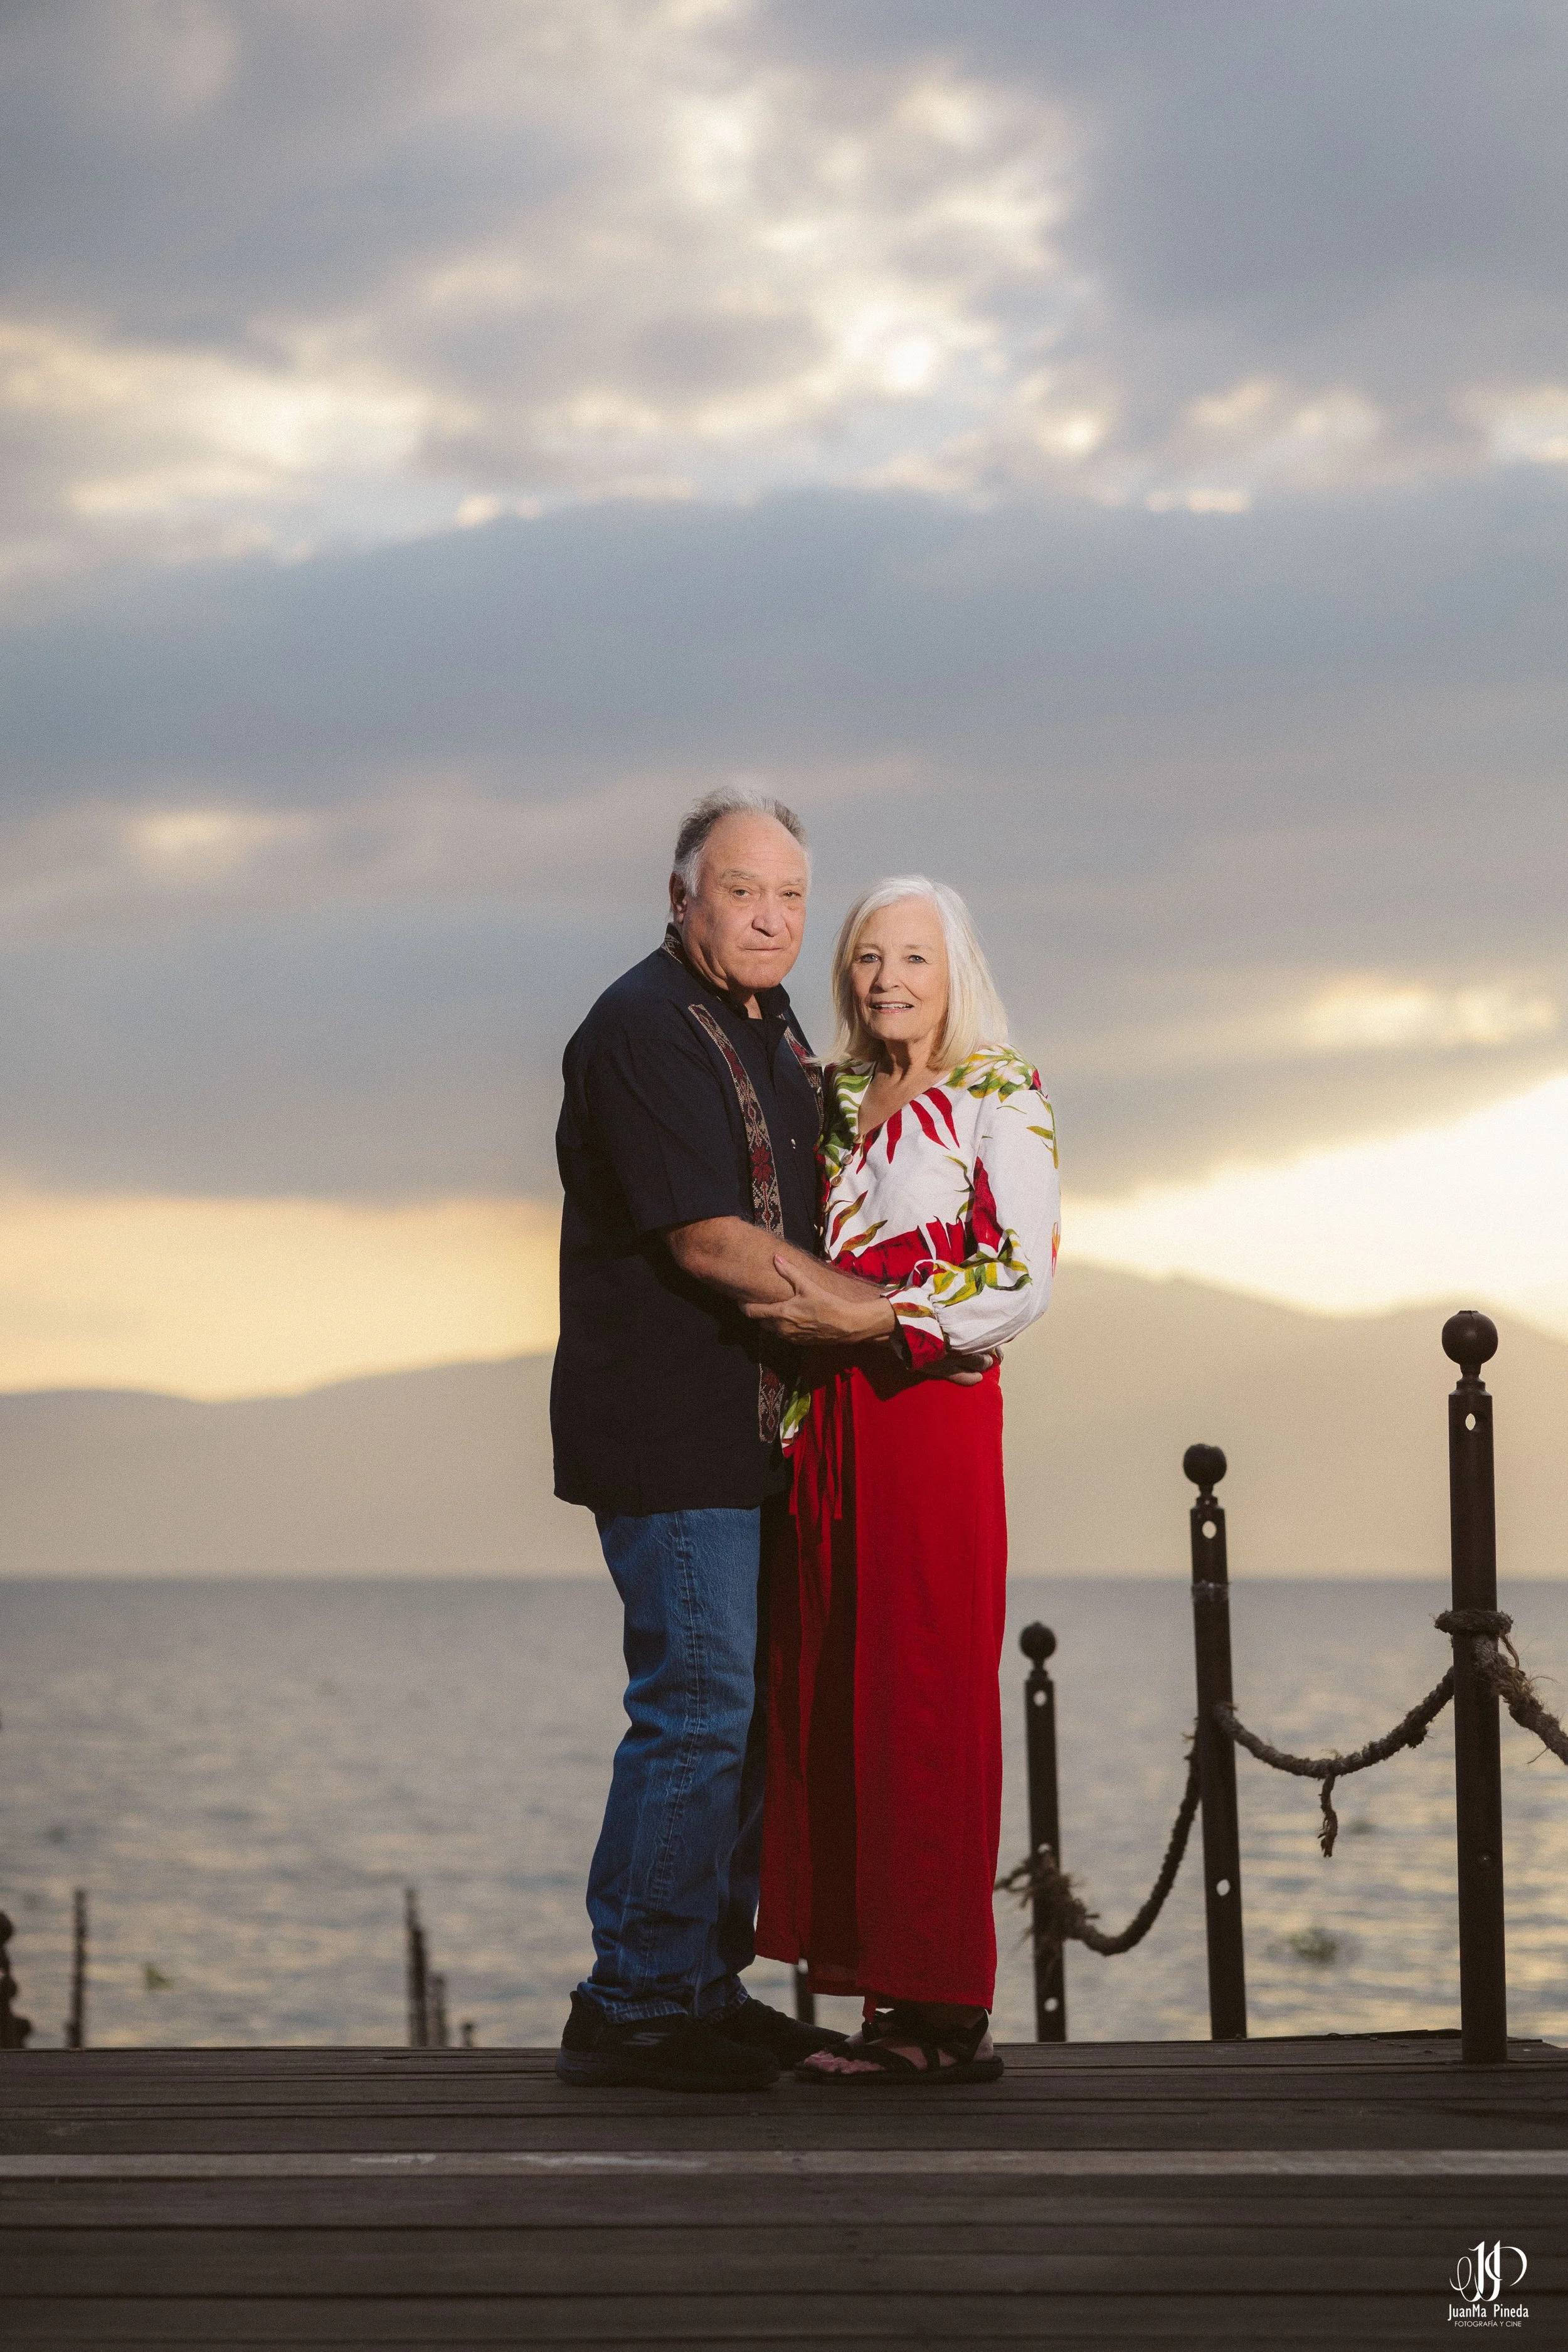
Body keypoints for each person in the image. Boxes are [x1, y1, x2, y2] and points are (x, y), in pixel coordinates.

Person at [551, 788, 896, 2090]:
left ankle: (698, 1979)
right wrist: (893, 1320)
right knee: (695, 1710)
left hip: (759, 1431)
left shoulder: (772, 1023)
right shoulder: (640, 1026)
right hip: (666, 1425)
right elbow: (708, 1240)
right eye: (740, 889)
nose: (769, 916)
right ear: (681, 896)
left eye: (790, 897)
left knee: (745, 1723)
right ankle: (633, 2002)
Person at [745, 876, 1060, 2084]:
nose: (888, 981)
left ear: (955, 969)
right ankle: (876, 1997)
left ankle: (941, 2014)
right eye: (869, 958)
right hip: (830, 1431)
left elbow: (1023, 1277)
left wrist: (885, 1315)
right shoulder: (832, 1102)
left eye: (913, 959)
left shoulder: (1000, 1092)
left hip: (927, 1415)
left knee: (927, 1693)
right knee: (833, 1689)